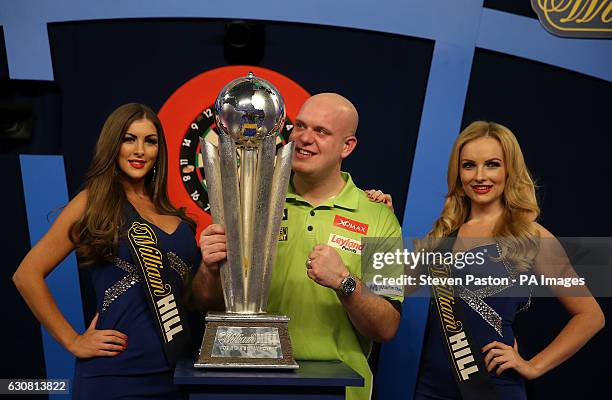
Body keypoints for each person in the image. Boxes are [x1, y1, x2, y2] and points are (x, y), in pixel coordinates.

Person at [195, 93, 403, 400]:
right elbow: (203, 305)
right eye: (300, 126)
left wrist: (346, 283)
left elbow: (388, 327)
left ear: (347, 146)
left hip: (338, 388)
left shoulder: (381, 217)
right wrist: (209, 270)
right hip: (250, 382)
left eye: (321, 131)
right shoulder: (248, 203)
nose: (305, 138)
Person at [13, 103, 202, 399]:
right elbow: (26, 275)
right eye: (129, 139)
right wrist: (73, 341)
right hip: (114, 376)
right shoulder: (94, 203)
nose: (140, 150)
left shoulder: (177, 219)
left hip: (176, 375)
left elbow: (194, 298)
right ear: (113, 144)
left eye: (150, 141)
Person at [414, 121, 605, 400]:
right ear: (458, 172)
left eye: (492, 164)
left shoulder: (530, 235)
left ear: (509, 170)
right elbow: (393, 288)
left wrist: (534, 365)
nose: (480, 176)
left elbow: (591, 316)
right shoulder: (443, 234)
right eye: (469, 165)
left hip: (493, 389)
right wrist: (382, 215)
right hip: (431, 389)